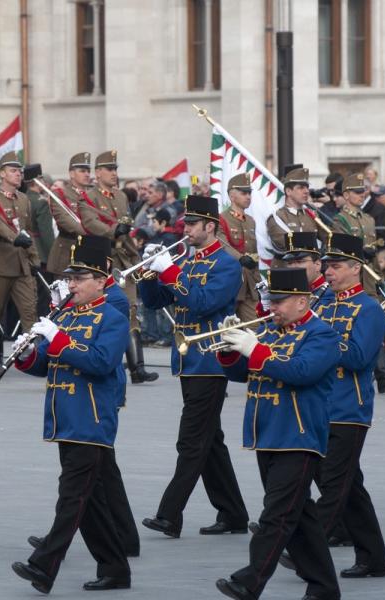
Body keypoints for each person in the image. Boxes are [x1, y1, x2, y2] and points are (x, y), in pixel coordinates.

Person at [10, 235, 131, 593]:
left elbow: (100, 362)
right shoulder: (67, 314)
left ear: (100, 281)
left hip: (91, 418)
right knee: (89, 501)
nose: (72, 285)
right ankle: (115, 568)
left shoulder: (112, 317)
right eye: (71, 278)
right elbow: (46, 364)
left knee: (72, 496)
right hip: (65, 416)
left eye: (79, 279)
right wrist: (25, 355)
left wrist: (58, 339)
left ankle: (44, 565)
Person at [212, 268, 342, 600]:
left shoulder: (322, 334)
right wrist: (230, 350)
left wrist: (255, 349)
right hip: (267, 433)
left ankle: (250, 581)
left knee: (277, 516)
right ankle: (324, 588)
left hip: (298, 435)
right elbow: (244, 373)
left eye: (280, 302)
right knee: (300, 517)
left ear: (302, 301)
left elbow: (301, 372)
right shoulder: (271, 330)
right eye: (272, 301)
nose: (273, 308)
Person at [138, 195, 250, 539]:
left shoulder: (227, 264)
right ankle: (233, 513)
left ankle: (169, 514)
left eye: (190, 225)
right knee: (209, 441)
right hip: (189, 359)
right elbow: (156, 302)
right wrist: (149, 273)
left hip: (211, 361)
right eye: (184, 224)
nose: (184, 230)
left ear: (210, 227)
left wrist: (170, 271)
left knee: (191, 441)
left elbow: (202, 303)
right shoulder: (188, 260)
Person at [313, 233, 385, 578]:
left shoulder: (370, 308)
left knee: (333, 484)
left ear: (355, 268)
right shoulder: (321, 304)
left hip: (349, 408)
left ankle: (305, 546)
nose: (328, 271)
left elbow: (360, 358)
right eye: (327, 265)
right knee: (349, 487)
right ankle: (374, 557)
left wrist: (320, 344)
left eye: (336, 265)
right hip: (319, 405)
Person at [82, 150, 156, 384]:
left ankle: (137, 368)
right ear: (98, 172)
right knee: (98, 312)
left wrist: (137, 259)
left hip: (123, 262)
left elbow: (128, 229)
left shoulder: (122, 197)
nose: (114, 173)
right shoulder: (88, 197)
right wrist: (113, 231)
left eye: (116, 169)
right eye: (110, 169)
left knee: (130, 310)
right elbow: (89, 223)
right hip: (100, 263)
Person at [0, 151, 40, 366]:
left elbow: (29, 232)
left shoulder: (24, 199)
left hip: (22, 263)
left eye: (19, 171)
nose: (18, 175)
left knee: (29, 310)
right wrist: (15, 238)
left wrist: (34, 259)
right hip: (0, 261)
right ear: (2, 173)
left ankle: (32, 355)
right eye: (13, 171)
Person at [219, 174, 261, 322]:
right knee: (226, 327)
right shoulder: (221, 219)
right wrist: (240, 258)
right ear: (232, 195)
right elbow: (223, 245)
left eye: (249, 193)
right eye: (244, 193)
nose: (248, 196)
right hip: (231, 282)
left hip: (250, 282)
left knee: (255, 325)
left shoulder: (250, 221)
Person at [266, 167, 317, 262]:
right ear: (288, 191)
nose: (306, 191)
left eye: (307, 187)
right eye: (301, 187)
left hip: (311, 270)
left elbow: (329, 238)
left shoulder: (312, 215)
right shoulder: (276, 217)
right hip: (289, 269)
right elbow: (285, 244)